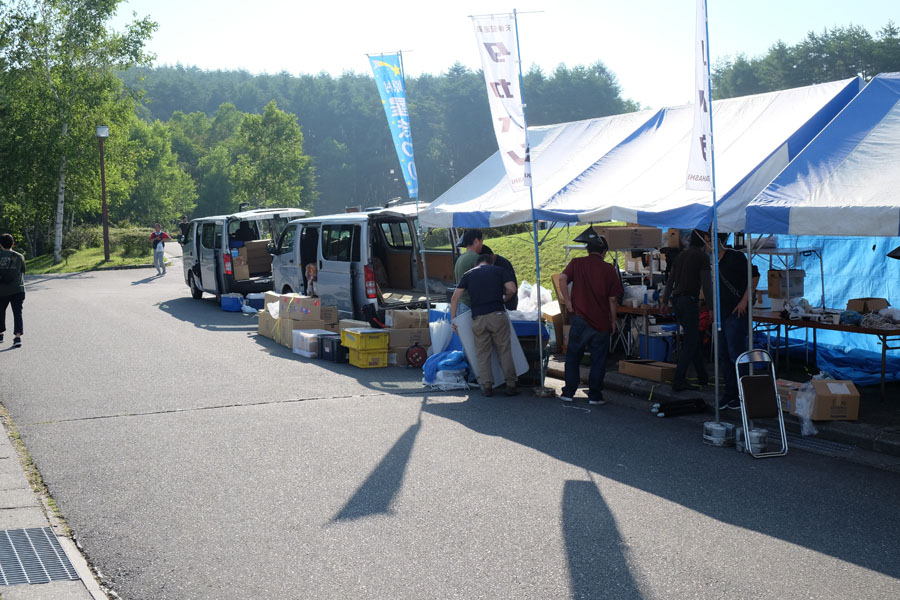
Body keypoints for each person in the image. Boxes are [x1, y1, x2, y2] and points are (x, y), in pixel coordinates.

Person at [556, 228, 623, 405]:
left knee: (573, 356)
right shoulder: (609, 269)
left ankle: (568, 392)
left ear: (587, 249)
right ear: (604, 251)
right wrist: (613, 320)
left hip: (580, 318)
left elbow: (562, 278)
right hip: (601, 321)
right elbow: (613, 299)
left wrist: (568, 302)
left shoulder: (577, 263)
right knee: (598, 360)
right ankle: (594, 395)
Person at [450, 253, 519, 397]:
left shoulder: (468, 274)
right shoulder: (499, 270)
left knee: (482, 353)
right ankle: (511, 385)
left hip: (478, 318)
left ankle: (487, 385)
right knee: (504, 350)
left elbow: (455, 298)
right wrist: (505, 298)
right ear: (490, 263)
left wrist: (453, 319)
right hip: (497, 315)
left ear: (477, 264)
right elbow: (512, 288)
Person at [661, 229, 714, 392]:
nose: (709, 244)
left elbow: (670, 280)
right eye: (708, 241)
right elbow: (707, 285)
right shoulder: (702, 258)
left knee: (694, 338)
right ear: (703, 242)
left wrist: (665, 301)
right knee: (691, 341)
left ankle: (702, 376)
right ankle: (679, 379)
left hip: (677, 300)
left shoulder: (681, 255)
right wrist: (711, 308)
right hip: (689, 300)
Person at [715, 233, 760, 409]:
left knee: (736, 354)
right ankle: (729, 393)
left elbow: (754, 276)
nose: (708, 245)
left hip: (736, 312)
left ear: (720, 241)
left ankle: (744, 394)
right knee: (723, 354)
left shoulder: (735, 257)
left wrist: (744, 301)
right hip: (721, 314)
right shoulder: (712, 261)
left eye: (710, 240)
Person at [0, 233, 25, 349]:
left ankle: (0, 334)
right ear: (13, 244)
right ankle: (17, 337)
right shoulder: (19, 256)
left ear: (0, 245)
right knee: (17, 313)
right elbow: (23, 271)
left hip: (1, 291)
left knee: (0, 312)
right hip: (18, 289)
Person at [453, 229, 484, 315]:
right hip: (469, 305)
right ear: (476, 241)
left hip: (460, 302)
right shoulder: (476, 258)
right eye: (482, 241)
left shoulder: (460, 258)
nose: (482, 245)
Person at [480, 244, 519, 311]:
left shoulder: (503, 264)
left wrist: (501, 301)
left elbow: (511, 290)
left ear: (491, 256)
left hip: (507, 302)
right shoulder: (494, 264)